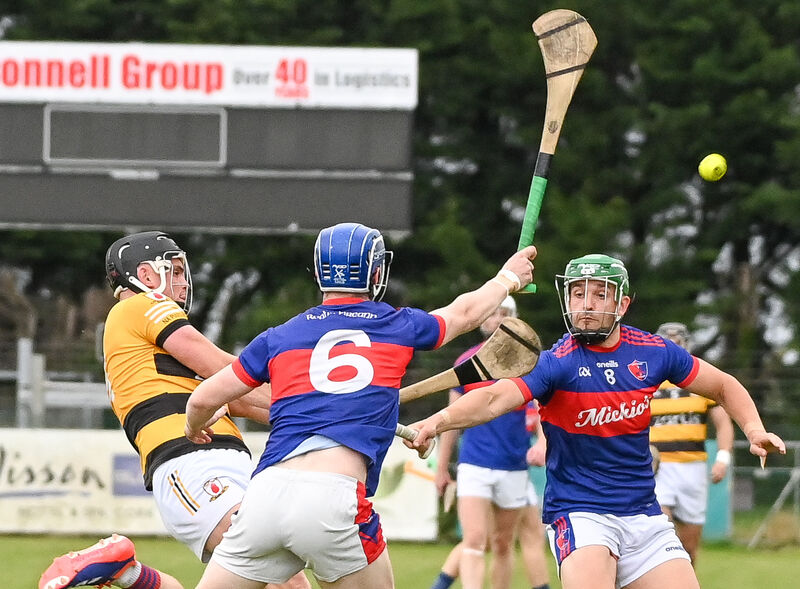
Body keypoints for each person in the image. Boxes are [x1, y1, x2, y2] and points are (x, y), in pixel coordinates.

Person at [182, 222, 537, 589]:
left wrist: (194, 426)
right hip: (335, 498)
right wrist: (507, 277)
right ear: (377, 270)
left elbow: (202, 398)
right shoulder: (396, 325)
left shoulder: (280, 335)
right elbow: (464, 314)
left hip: (264, 496)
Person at [406, 253, 786, 589]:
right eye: (577, 294)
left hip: (644, 517)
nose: (585, 305)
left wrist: (754, 430)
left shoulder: (653, 353)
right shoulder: (556, 362)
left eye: (599, 295)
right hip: (581, 515)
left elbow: (722, 385)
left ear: (621, 303)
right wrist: (435, 423)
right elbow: (491, 398)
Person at [39, 231, 310, 589]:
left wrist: (331, 415)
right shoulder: (140, 306)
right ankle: (123, 570)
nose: (183, 283)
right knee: (277, 570)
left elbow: (245, 398)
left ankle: (127, 572)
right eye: (176, 271)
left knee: (286, 581)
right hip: (194, 461)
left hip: (222, 462)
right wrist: (320, 397)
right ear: (147, 275)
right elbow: (225, 371)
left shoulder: (147, 341)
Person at [430, 296, 550, 589]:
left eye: (503, 313)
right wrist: (442, 467)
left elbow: (543, 411)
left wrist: (543, 443)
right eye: (491, 312)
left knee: (503, 545)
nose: (495, 319)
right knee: (473, 542)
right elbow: (450, 422)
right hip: (475, 464)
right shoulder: (465, 363)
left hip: (513, 466)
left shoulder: (528, 362)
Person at [650, 321, 734, 565]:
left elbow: (724, 424)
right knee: (659, 538)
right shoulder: (646, 380)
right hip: (657, 469)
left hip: (692, 469)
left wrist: (723, 458)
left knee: (689, 548)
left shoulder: (700, 382)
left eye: (678, 342)